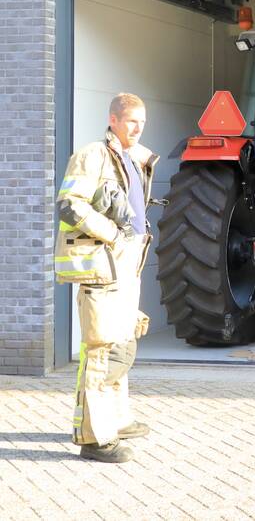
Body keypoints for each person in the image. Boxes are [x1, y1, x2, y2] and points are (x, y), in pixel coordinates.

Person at [55, 93, 158, 464]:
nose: (138, 128)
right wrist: (113, 235)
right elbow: (70, 204)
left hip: (127, 265)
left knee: (123, 344)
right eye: (131, 121)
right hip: (103, 265)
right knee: (100, 351)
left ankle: (115, 419)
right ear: (113, 119)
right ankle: (94, 439)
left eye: (142, 122)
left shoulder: (131, 158)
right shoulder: (92, 155)